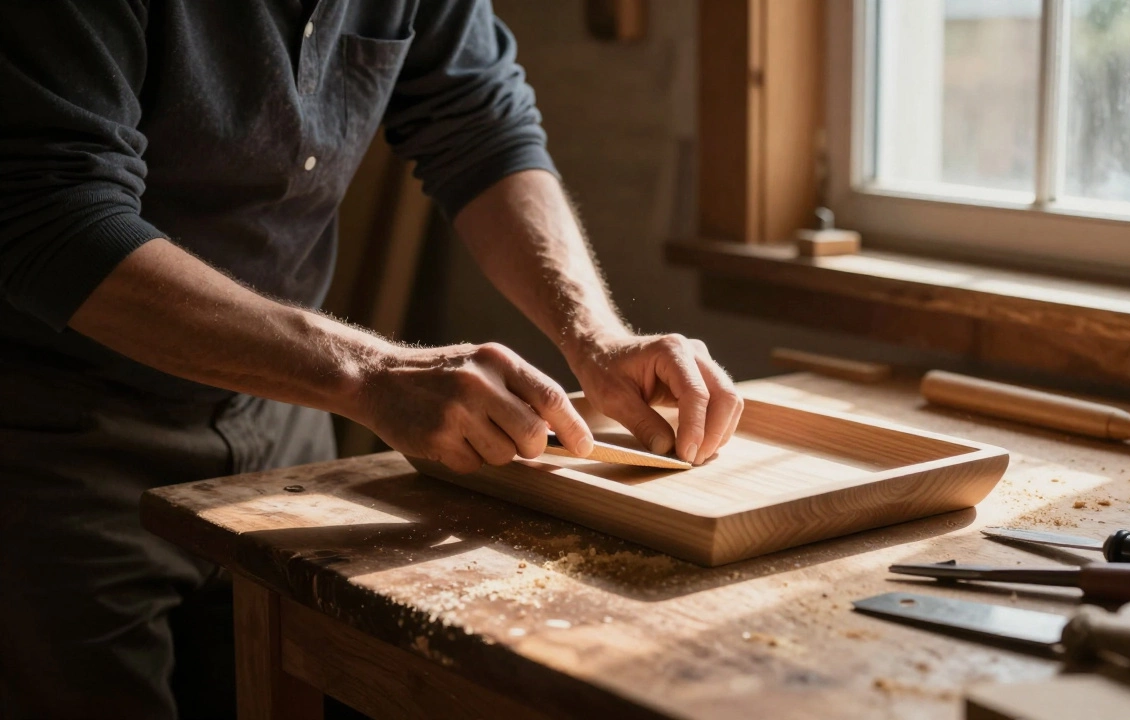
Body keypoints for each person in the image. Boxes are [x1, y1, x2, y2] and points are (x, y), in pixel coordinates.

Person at [0, 1, 742, 717]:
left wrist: (594, 335)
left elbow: (481, 128)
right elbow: (52, 216)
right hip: (54, 434)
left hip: (282, 415)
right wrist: (369, 375)